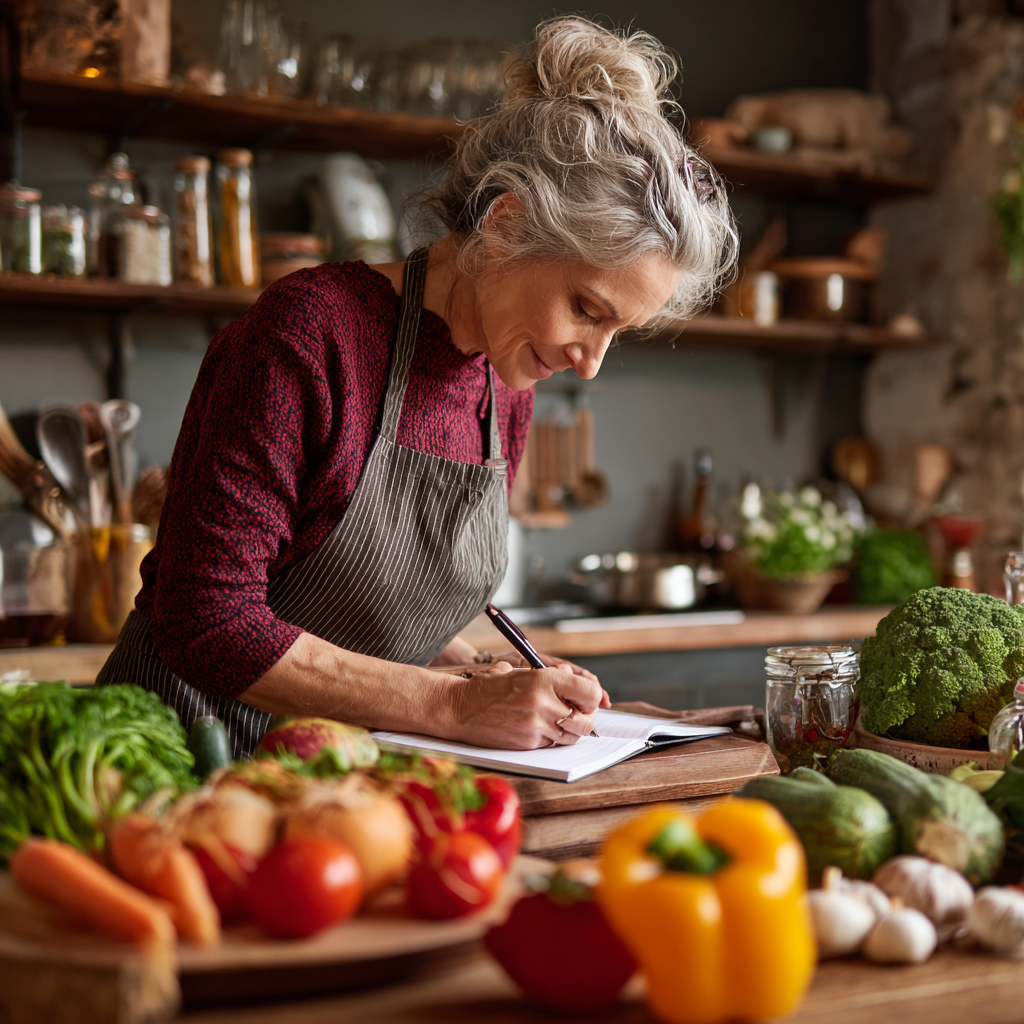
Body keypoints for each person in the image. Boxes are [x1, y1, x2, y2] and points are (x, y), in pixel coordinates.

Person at [97, 17, 737, 758]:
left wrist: (482, 673)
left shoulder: (507, 387)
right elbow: (206, 615)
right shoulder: (309, 333)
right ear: (505, 226)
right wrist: (457, 707)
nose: (591, 362)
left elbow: (364, 620)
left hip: (319, 784)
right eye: (587, 310)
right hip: (160, 767)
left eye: (616, 332)